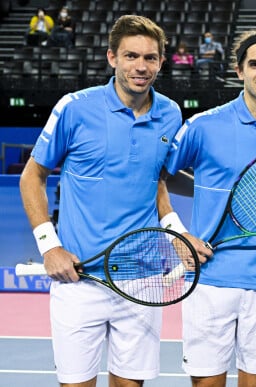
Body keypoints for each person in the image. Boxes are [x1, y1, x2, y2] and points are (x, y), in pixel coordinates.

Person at [19, 15, 203, 387]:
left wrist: (177, 232)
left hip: (142, 278)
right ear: (112, 58)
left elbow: (158, 181)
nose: (141, 66)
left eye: (150, 58)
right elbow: (31, 177)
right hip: (79, 278)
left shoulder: (170, 114)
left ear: (161, 62)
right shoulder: (74, 107)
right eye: (131, 56)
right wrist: (49, 246)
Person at [157, 29, 256, 387]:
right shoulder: (203, 126)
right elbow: (156, 177)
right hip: (210, 280)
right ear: (239, 71)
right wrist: (178, 233)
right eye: (255, 64)